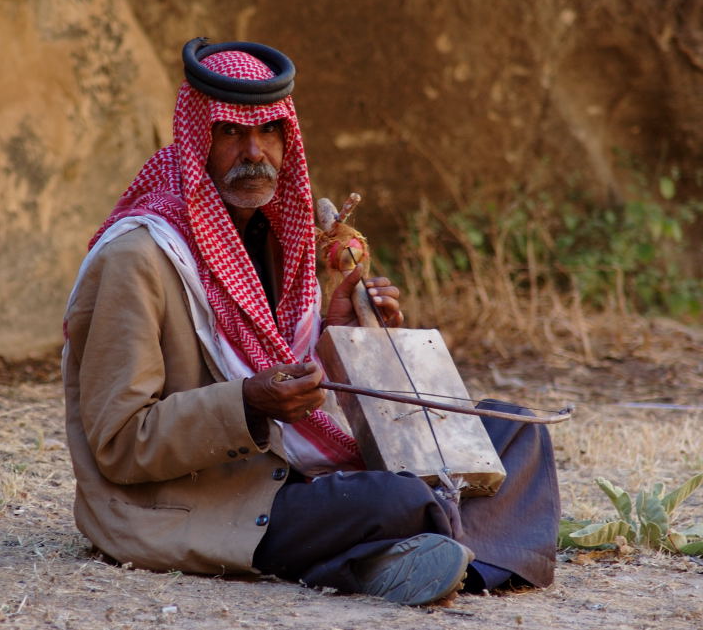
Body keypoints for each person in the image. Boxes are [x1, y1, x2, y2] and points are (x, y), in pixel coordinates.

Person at [62, 39, 559, 606]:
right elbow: (120, 443)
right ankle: (442, 545)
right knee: (390, 501)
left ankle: (432, 561)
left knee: (517, 429)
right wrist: (247, 403)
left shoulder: (279, 234)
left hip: (301, 469)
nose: (255, 152)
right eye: (231, 133)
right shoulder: (136, 259)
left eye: (269, 131)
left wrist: (345, 335)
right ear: (198, 138)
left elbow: (286, 370)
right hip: (210, 499)